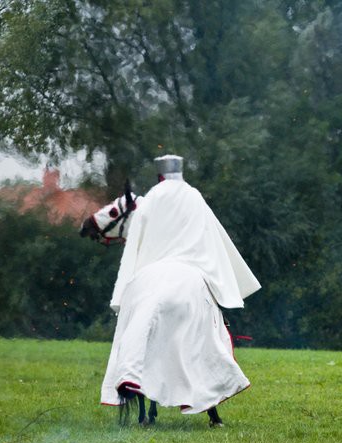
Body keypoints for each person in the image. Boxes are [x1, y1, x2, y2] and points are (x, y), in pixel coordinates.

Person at [101, 154, 261, 416]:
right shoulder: (194, 196)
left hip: (151, 271)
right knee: (208, 333)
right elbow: (212, 232)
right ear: (180, 172)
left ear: (159, 175)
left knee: (138, 324)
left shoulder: (151, 197)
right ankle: (211, 404)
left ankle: (136, 393)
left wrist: (131, 277)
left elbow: (137, 237)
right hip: (191, 272)